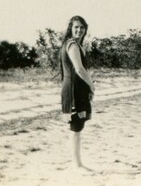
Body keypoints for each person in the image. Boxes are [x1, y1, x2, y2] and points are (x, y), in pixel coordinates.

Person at [60, 15, 95, 173]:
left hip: (77, 88)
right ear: (70, 28)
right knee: (75, 129)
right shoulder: (72, 45)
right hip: (73, 90)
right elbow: (79, 69)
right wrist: (92, 85)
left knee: (77, 128)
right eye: (76, 27)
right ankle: (77, 165)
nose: (79, 30)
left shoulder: (76, 44)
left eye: (82, 27)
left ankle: (78, 164)